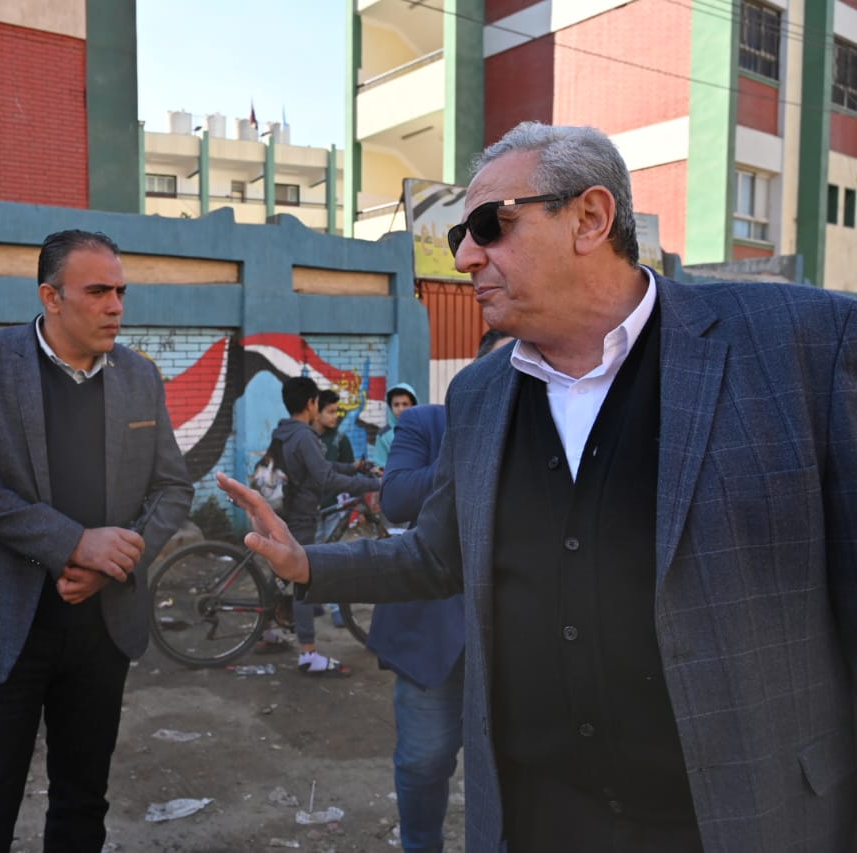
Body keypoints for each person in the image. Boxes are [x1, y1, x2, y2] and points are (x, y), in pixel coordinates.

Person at [218, 121, 857, 852]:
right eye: (460, 235)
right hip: (535, 819)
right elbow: (438, 554)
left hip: (739, 819)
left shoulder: (799, 345)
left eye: (491, 226)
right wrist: (306, 563)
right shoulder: (480, 394)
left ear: (590, 218)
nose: (465, 256)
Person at [0, 229, 193, 851]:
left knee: (83, 799)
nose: (115, 307)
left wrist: (115, 561)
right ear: (51, 297)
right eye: (97, 292)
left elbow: (172, 489)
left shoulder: (139, 376)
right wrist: (74, 543)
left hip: (102, 626)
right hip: (4, 625)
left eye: (120, 292)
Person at [370, 330, 511, 853]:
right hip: (434, 633)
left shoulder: (553, 433)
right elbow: (396, 499)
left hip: (519, 637)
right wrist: (473, 444)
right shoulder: (427, 423)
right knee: (424, 760)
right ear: (476, 374)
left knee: (511, 769)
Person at [267, 376, 380, 675]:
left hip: (283, 513)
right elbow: (325, 478)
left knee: (278, 572)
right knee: (304, 581)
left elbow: (321, 466)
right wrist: (371, 484)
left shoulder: (284, 431)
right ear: (311, 403)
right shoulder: (304, 436)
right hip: (300, 517)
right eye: (318, 401)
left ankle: (267, 632)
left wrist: (353, 468)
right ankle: (308, 654)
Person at [371, 382, 418, 468]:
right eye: (396, 405)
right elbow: (380, 467)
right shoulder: (383, 435)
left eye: (405, 404)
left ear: (413, 406)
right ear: (391, 407)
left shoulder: (422, 430)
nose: (400, 409)